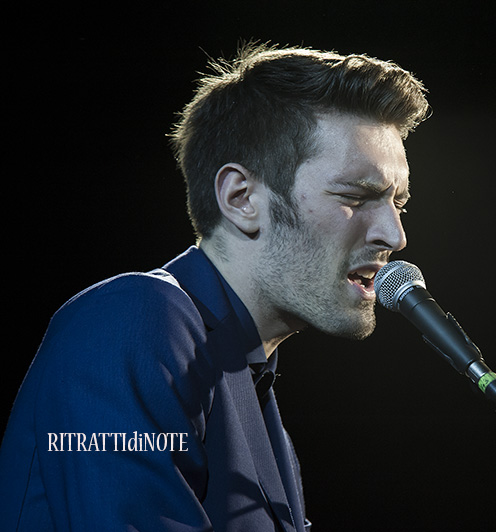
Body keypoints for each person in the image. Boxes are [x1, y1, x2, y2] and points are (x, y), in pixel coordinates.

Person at [0, 43, 429, 531]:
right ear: (241, 198)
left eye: (399, 203)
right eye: (356, 196)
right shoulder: (131, 318)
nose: (395, 235)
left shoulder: (249, 377)